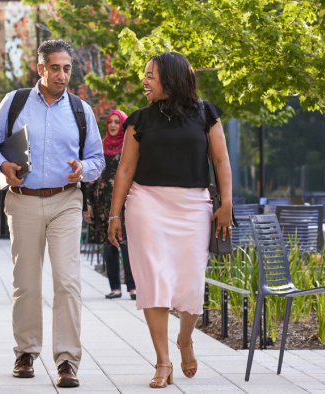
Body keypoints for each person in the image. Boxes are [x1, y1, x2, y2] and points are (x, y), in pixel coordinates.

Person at [0, 39, 105, 388]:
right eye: (55, 68)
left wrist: (84, 169)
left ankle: (67, 361)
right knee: (27, 283)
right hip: (22, 200)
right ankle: (25, 352)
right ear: (40, 68)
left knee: (67, 281)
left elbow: (97, 159)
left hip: (66, 200)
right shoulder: (15, 102)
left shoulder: (81, 110)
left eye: (67, 68)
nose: (62, 74)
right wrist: (3, 164)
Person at [107, 52, 233, 387]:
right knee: (154, 282)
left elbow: (220, 160)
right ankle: (162, 361)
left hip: (193, 206)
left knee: (192, 284)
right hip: (147, 203)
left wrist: (227, 203)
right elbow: (126, 170)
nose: (144, 80)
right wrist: (114, 214)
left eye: (150, 74)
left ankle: (185, 339)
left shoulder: (206, 113)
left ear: (171, 77)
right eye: (144, 74)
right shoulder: (140, 119)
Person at [83, 110, 136, 300]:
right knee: (108, 246)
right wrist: (86, 204)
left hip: (124, 205)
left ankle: (132, 287)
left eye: (116, 122)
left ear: (122, 125)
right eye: (110, 122)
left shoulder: (129, 147)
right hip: (101, 205)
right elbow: (90, 178)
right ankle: (115, 288)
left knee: (128, 246)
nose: (113, 125)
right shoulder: (99, 147)